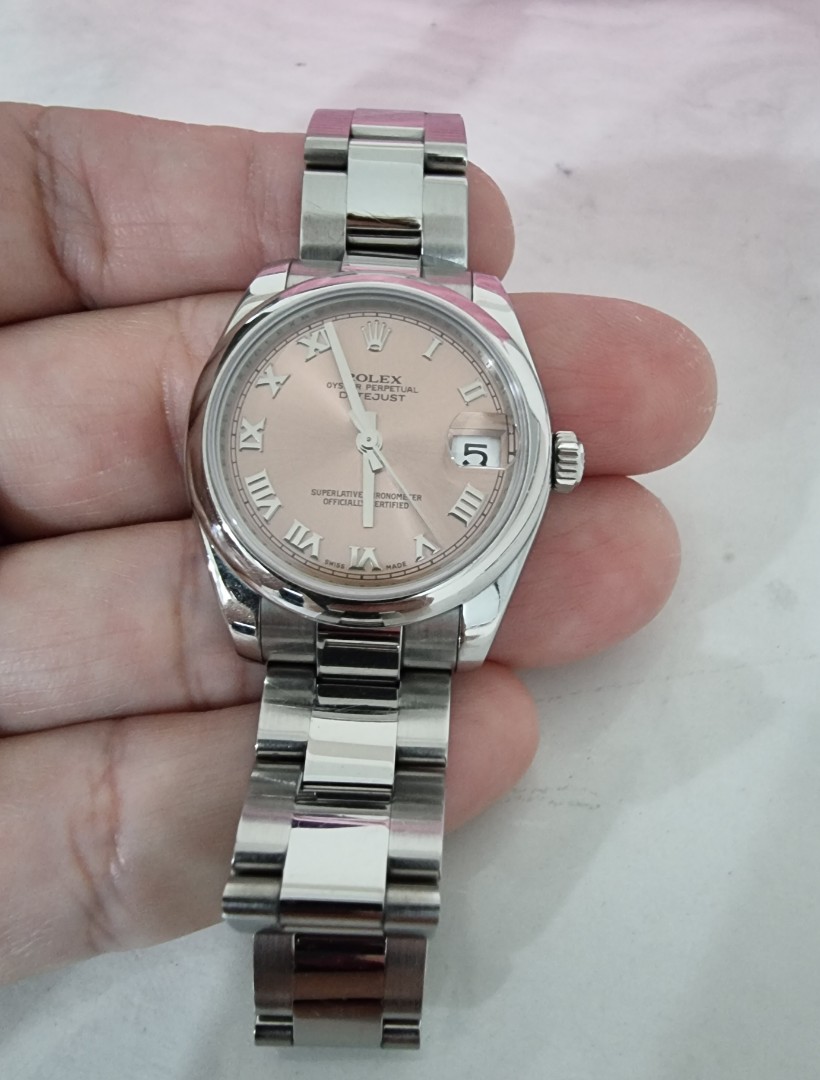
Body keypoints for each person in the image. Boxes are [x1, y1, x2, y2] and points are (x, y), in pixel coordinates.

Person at [0, 104, 716, 984]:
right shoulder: (288, 325)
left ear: (548, 461)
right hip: (291, 579)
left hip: (403, 585)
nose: (369, 441)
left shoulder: (467, 345)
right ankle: (332, 976)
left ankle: (333, 976)